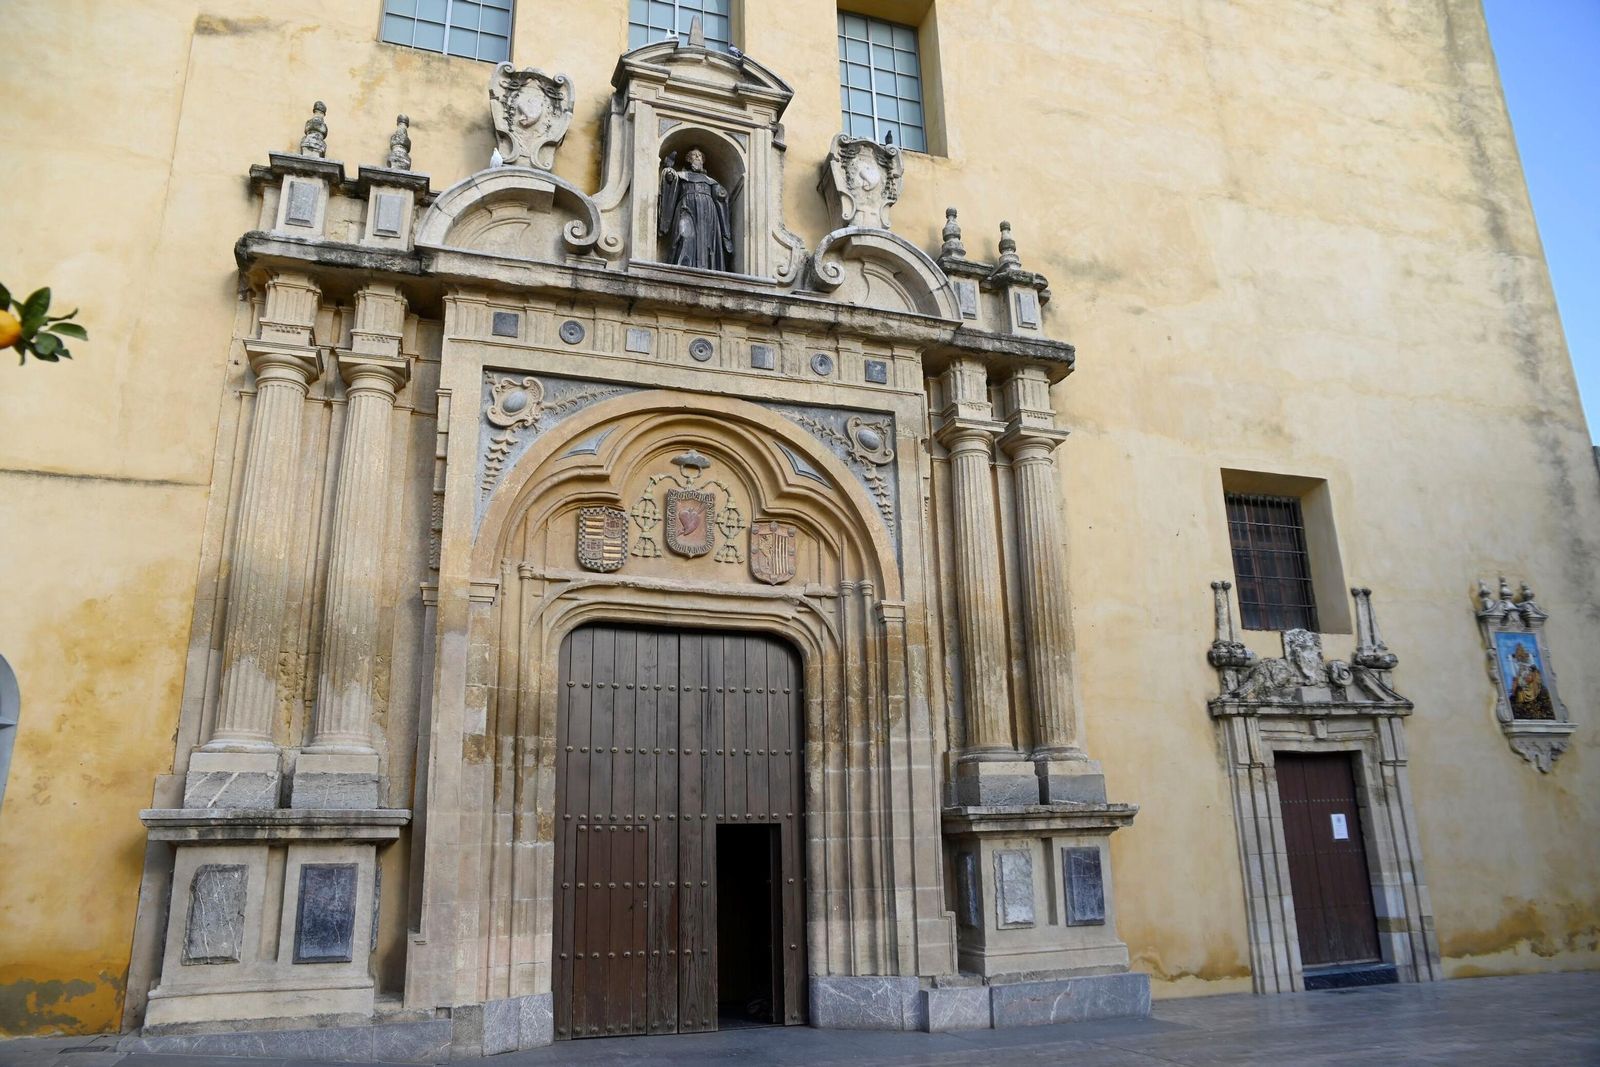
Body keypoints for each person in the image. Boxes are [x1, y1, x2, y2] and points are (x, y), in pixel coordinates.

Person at [658, 147, 734, 271]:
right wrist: (669, 172)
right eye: (694, 155)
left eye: (700, 156)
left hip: (708, 213)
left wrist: (721, 194)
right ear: (688, 159)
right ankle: (682, 268)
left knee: (708, 240)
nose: (698, 157)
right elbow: (670, 182)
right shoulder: (681, 176)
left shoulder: (711, 181)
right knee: (684, 235)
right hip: (686, 208)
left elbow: (720, 196)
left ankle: (708, 269)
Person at [1508, 642, 1555, 719]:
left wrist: (1530, 674)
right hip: (1523, 680)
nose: (1520, 654)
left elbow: (1533, 671)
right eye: (1518, 652)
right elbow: (1516, 676)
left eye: (1521, 651)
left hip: (1530, 680)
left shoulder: (1530, 664)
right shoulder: (1518, 665)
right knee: (1519, 689)